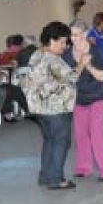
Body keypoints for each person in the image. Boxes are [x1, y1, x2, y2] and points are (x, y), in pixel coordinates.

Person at [21, 21, 84, 190]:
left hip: (40, 108)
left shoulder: (36, 54)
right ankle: (56, 179)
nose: (65, 46)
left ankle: (46, 176)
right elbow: (71, 77)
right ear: (52, 40)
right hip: (56, 107)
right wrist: (83, 63)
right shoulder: (51, 58)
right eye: (62, 42)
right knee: (61, 142)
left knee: (50, 141)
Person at [65, 20, 103, 181]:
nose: (73, 38)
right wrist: (81, 63)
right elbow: (69, 79)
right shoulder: (67, 54)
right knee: (80, 135)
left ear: (85, 34)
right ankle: (84, 167)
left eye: (77, 34)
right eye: (71, 35)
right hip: (79, 98)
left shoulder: (95, 51)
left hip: (97, 97)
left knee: (96, 134)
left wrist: (89, 66)